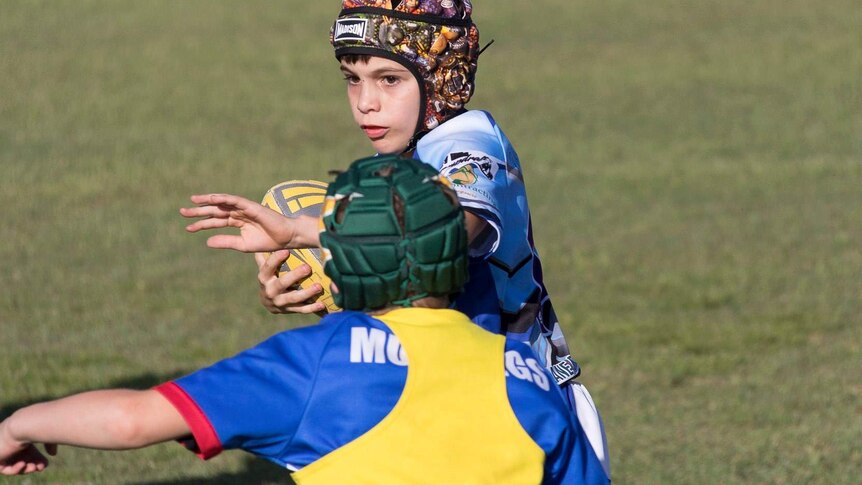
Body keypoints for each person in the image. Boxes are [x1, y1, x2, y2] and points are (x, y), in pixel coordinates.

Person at [183, 0, 610, 478]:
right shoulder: (407, 167)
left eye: (390, 79)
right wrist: (309, 286)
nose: (366, 101)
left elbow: (442, 231)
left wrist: (305, 229)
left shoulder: (468, 145)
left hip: (527, 414)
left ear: (443, 78)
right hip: (444, 407)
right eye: (352, 78)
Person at [0, 156, 608, 484]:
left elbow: (135, 420)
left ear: (340, 271)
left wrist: (19, 423)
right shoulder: (523, 373)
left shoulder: (318, 364)